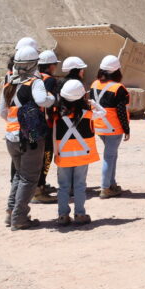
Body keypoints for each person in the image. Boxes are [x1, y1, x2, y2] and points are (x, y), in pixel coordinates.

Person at [2, 45, 55, 230]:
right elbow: (42, 101)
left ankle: (11, 212)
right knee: (30, 178)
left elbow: (3, 112)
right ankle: (19, 218)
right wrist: (52, 99)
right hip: (30, 135)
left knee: (19, 175)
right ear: (34, 64)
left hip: (11, 136)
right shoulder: (35, 82)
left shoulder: (9, 83)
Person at [53, 79, 101, 226]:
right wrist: (93, 103)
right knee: (80, 185)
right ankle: (80, 214)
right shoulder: (88, 113)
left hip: (63, 156)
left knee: (63, 186)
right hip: (82, 155)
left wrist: (56, 154)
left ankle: (62, 216)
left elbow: (54, 134)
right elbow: (103, 113)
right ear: (82, 97)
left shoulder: (57, 114)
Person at [90, 54, 130, 198]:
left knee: (112, 155)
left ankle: (111, 183)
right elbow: (121, 112)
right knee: (109, 156)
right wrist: (126, 129)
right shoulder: (118, 88)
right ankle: (105, 188)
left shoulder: (94, 84)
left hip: (99, 126)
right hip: (114, 128)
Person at [32, 50, 61, 204]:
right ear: (50, 66)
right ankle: (39, 188)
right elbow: (51, 102)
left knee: (36, 157)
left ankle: (36, 186)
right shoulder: (49, 80)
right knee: (47, 155)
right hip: (46, 124)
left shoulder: (34, 78)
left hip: (33, 123)